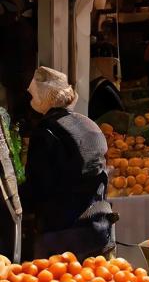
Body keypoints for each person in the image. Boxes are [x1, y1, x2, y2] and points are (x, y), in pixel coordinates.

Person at [20, 67, 115, 258]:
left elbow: (37, 187)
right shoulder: (89, 124)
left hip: (63, 238)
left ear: (41, 98)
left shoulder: (46, 132)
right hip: (100, 230)